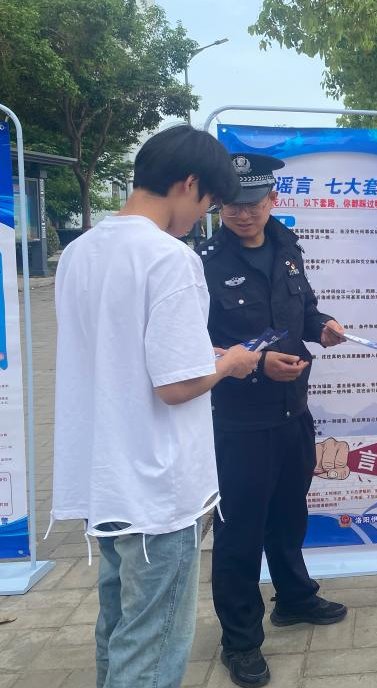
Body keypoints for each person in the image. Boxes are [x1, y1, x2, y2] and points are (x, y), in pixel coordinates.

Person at [51, 125, 260, 688]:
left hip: (106, 479)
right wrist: (229, 363)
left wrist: (200, 356)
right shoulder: (170, 258)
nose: (202, 216)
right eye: (207, 202)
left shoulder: (79, 252)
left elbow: (117, 350)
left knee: (118, 625)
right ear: (188, 184)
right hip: (158, 486)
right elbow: (176, 386)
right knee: (153, 640)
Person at [198, 153, 349, 688]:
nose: (243, 214)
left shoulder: (287, 248)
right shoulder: (203, 263)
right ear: (219, 206)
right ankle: (240, 640)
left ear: (272, 200)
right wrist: (258, 364)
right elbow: (192, 345)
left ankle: (294, 597)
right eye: (232, 205)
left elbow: (302, 311)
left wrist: (323, 325)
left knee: (289, 513)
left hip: (293, 411)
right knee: (240, 532)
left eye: (253, 204)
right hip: (240, 421)